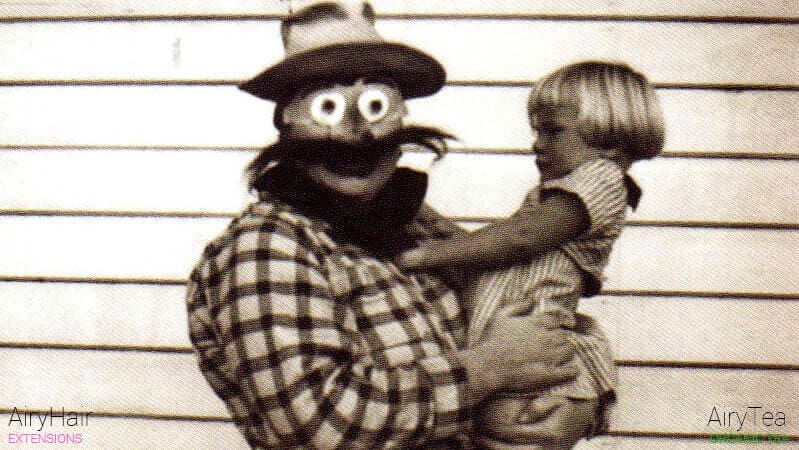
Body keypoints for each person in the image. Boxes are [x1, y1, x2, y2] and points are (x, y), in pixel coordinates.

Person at [186, 1, 584, 448]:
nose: (357, 136)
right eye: (328, 109)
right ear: (288, 132)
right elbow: (320, 423)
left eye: (375, 106)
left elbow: (537, 310)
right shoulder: (265, 248)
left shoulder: (423, 229)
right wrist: (489, 370)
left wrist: (570, 405)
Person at [397, 61, 666, 448]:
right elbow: (501, 252)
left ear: (612, 138)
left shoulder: (601, 179)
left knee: (504, 428)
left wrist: (427, 256)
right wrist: (432, 222)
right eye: (536, 130)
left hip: (532, 358)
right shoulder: (562, 194)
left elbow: (517, 239)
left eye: (553, 131)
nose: (537, 143)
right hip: (512, 353)